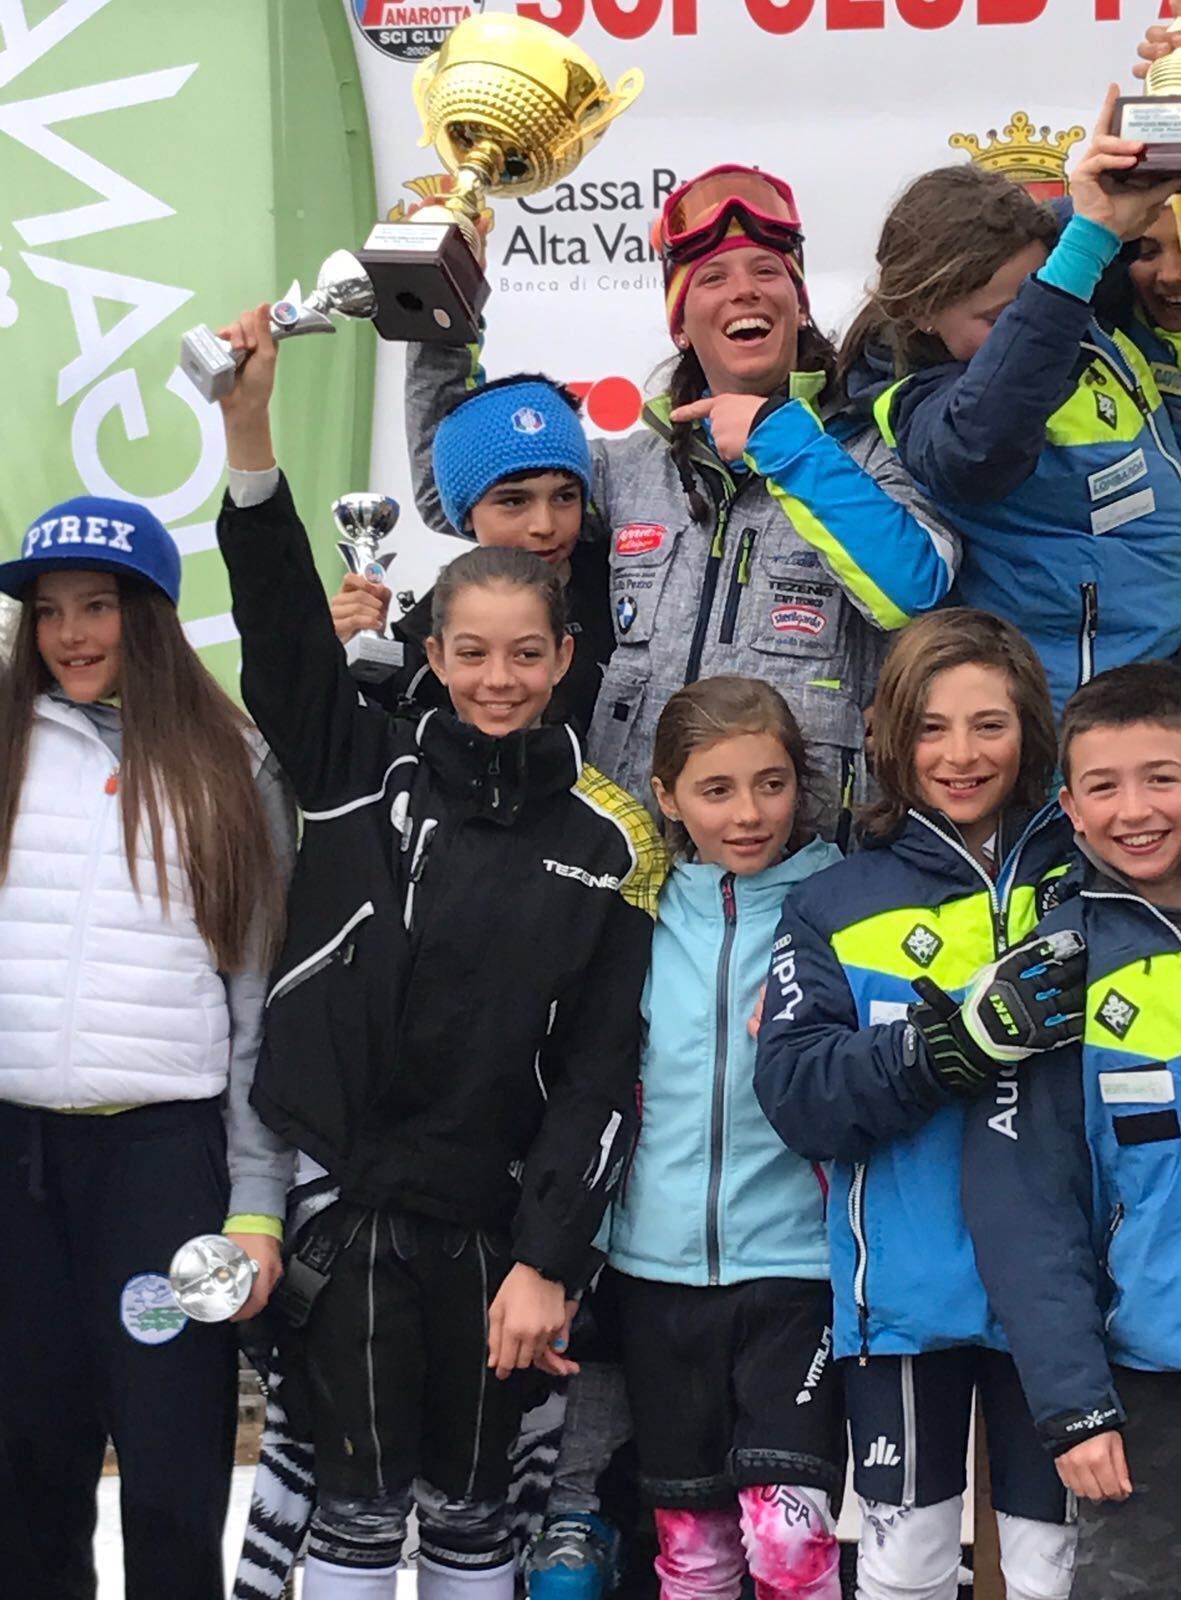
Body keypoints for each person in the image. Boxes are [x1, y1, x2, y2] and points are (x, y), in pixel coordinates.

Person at [215, 306, 666, 1600]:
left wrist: (549, 1259)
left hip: (495, 1231)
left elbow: (600, 1073)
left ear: (568, 657)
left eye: (526, 654)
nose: (498, 679)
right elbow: (280, 631)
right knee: (354, 1521)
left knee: (476, 1528)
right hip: (345, 1210)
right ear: (431, 654)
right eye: (470, 654)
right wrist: (249, 430)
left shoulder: (611, 836)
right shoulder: (359, 765)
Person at [405, 163, 962, 843]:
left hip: (799, 852)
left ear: (798, 302)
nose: (743, 291)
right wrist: (441, 309)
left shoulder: (871, 449)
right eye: (713, 278)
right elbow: (453, 494)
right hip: (631, 847)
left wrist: (782, 441)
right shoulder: (632, 469)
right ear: (681, 323)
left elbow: (911, 588)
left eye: (767, 271)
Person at [0, 496, 294, 1600]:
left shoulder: (234, 763)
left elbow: (257, 1003)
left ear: (155, 615)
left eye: (98, 606)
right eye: (48, 611)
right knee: (26, 1472)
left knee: (172, 1472)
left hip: (164, 1173)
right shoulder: (5, 746)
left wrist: (257, 1203)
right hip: (14, 1162)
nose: (70, 634)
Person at [754, 610, 1079, 1600]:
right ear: (895, 737)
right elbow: (797, 1093)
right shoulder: (835, 899)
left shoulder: (1092, 879)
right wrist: (941, 1049)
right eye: (932, 728)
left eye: (990, 724)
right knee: (905, 1567)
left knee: (1053, 1571)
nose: (961, 755)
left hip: (1066, 1302)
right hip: (904, 1296)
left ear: (1030, 728)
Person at [595, 674, 846, 1600]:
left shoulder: (840, 901)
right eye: (717, 790)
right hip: (655, 1274)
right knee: (693, 1554)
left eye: (771, 784)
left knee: (787, 1545)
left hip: (798, 1270)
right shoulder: (641, 913)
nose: (749, 814)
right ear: (667, 797)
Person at [837, 92, 1181, 719]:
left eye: (1047, 288)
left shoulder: (1062, 290)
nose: (1038, 319)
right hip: (1077, 710)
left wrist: (1178, 82)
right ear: (922, 312)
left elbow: (1143, 193)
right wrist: (1077, 258)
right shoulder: (920, 404)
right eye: (1003, 317)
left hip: (1165, 658)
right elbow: (980, 448)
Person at [964, 661, 1181, 1600]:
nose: (1134, 810)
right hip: (1152, 1382)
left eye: (1162, 778)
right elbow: (1024, 1207)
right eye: (1103, 786)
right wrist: (1072, 1405)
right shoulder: (1056, 970)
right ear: (1068, 805)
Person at [330, 372, 613, 734]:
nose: (543, 524)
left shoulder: (628, 588)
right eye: (514, 501)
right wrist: (332, 655)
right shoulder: (422, 637)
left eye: (565, 496)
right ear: (465, 513)